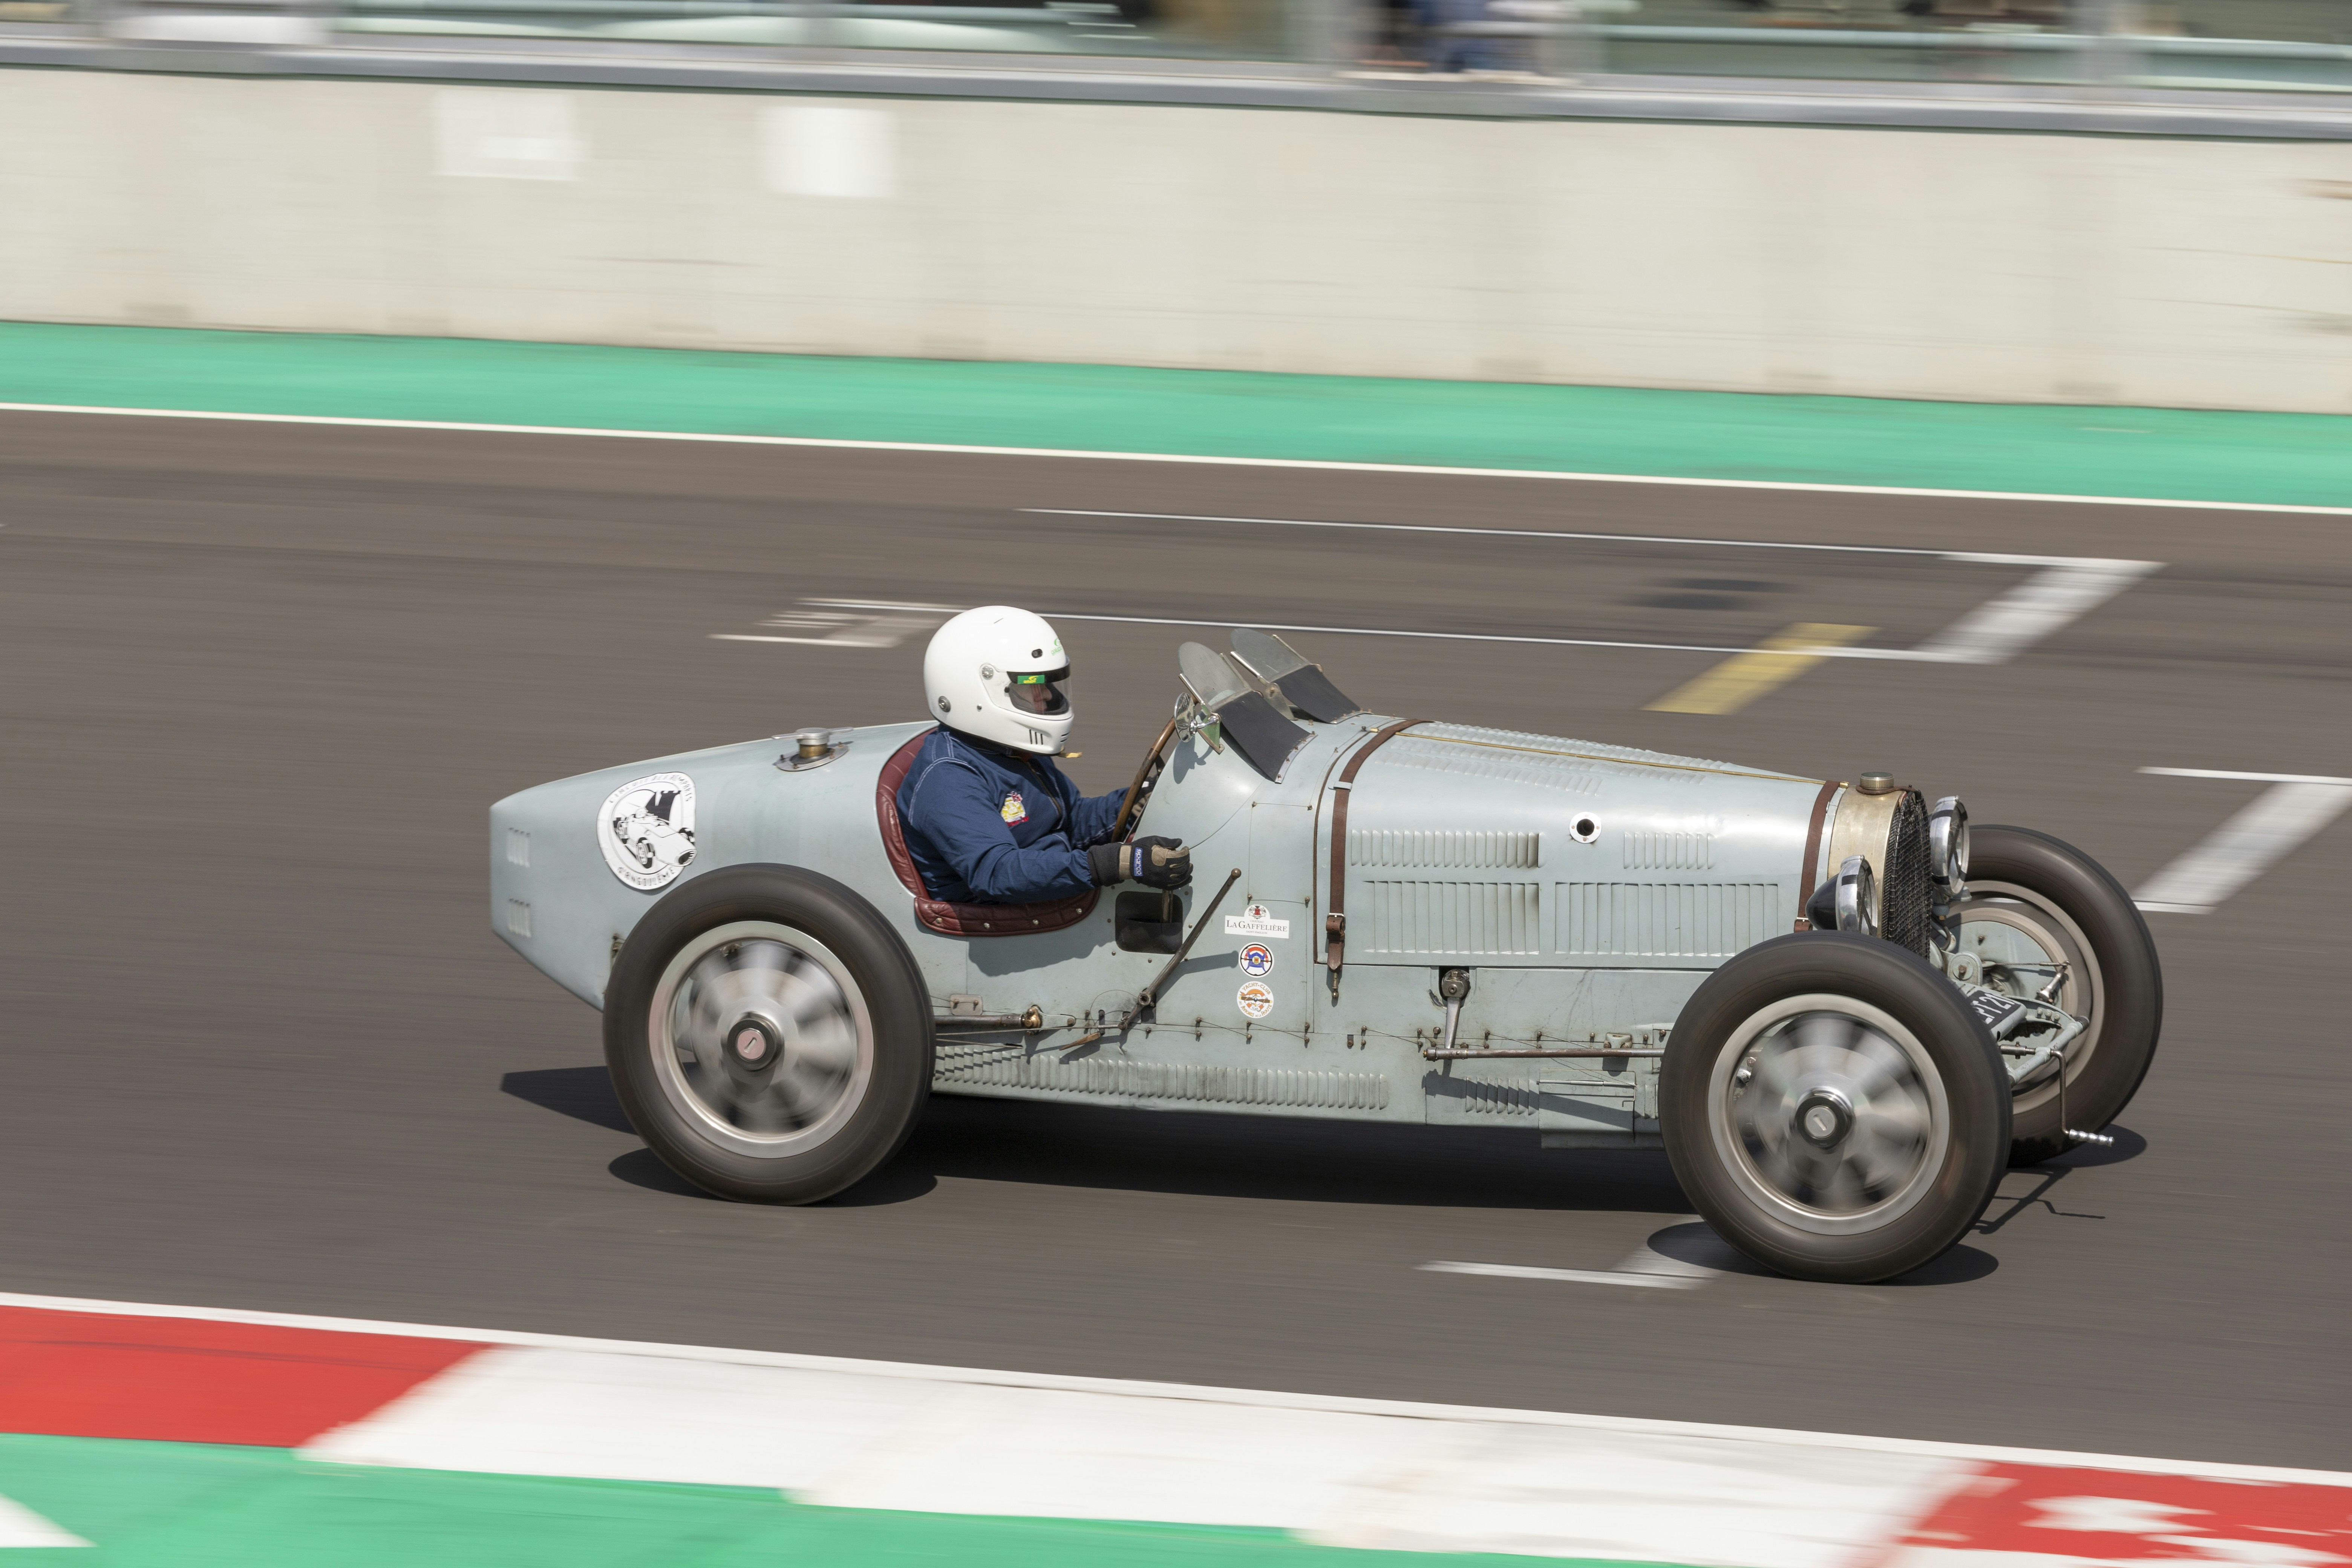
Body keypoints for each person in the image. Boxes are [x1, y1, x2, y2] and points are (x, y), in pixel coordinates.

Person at [898, 606, 1192, 906]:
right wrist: (1122, 862)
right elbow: (999, 873)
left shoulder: (1011, 751)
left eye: (1048, 683)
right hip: (1008, 916)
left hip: (1047, 892)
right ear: (975, 694)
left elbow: (1072, 821)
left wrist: (1137, 801)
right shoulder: (949, 780)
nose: (1048, 695)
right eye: (1033, 685)